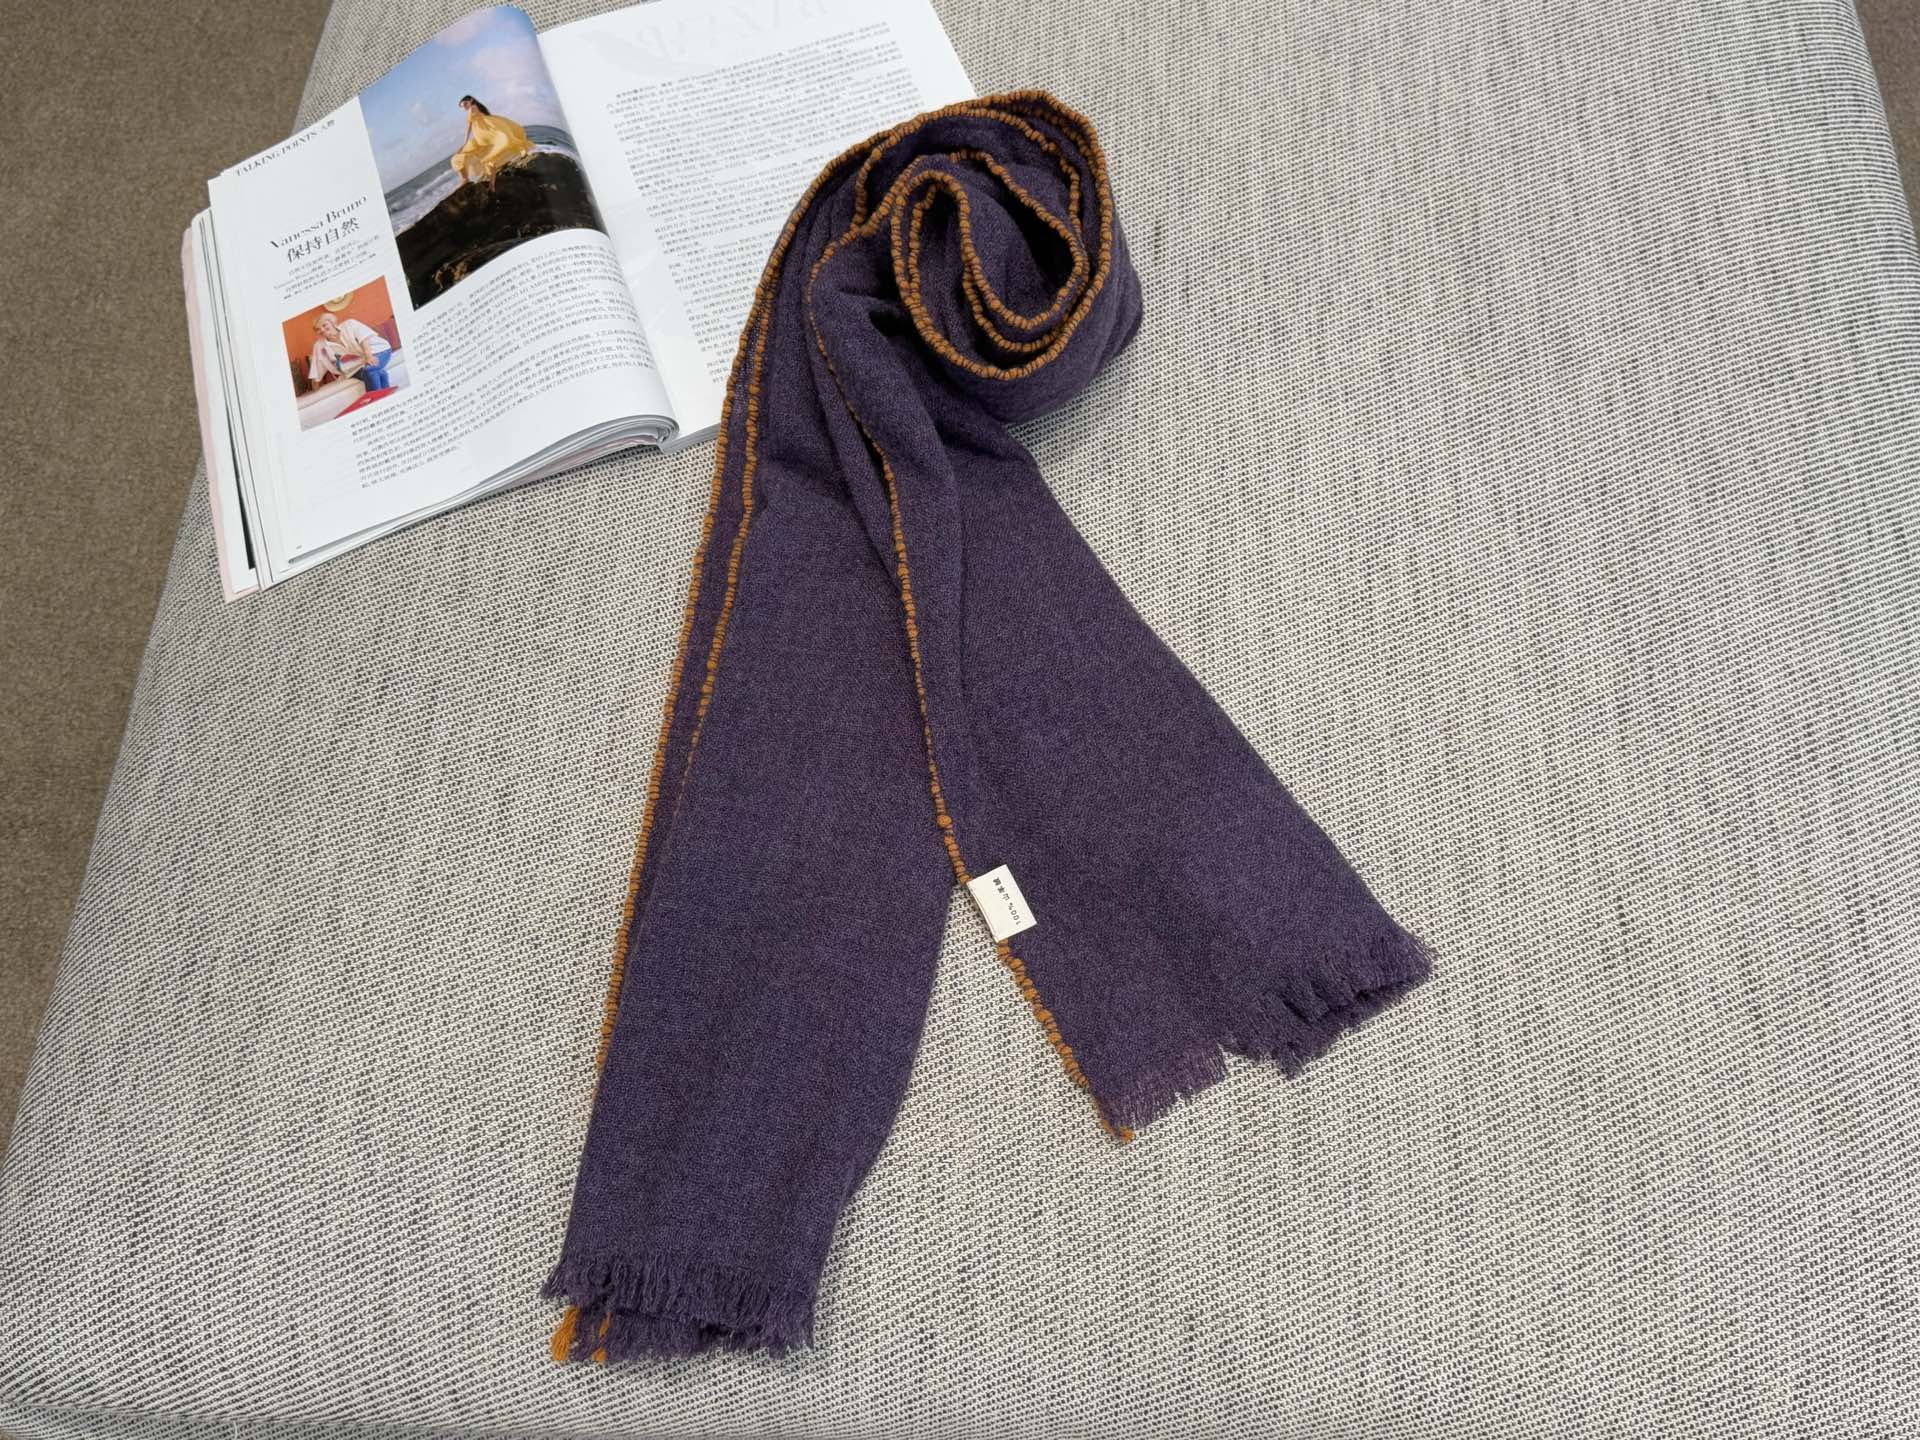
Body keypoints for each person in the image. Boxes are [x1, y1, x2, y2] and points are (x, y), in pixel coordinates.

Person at [449, 95, 534, 189]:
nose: (465, 107)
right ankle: (491, 185)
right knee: (491, 158)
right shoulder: (479, 108)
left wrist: (465, 143)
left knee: (460, 157)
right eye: (463, 106)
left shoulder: (472, 109)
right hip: (485, 137)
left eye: (465, 104)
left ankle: (466, 179)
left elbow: (469, 127)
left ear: (471, 100)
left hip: (485, 137)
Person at [309, 312, 394, 393]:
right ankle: (385, 394)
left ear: (332, 322)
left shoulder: (349, 324)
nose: (322, 330)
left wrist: (369, 356)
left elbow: (364, 338)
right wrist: (315, 384)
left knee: (370, 370)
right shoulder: (320, 345)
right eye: (318, 329)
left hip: (377, 351)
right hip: (355, 367)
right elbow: (318, 363)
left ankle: (374, 399)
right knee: (376, 373)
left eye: (324, 325)